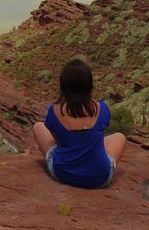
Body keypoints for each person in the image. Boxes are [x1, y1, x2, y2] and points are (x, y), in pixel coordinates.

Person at [32, 57, 126, 188]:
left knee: (38, 126)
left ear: (63, 85)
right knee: (119, 137)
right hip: (100, 178)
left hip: (63, 173)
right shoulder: (102, 108)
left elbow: (56, 139)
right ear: (89, 85)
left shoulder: (54, 110)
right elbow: (102, 130)